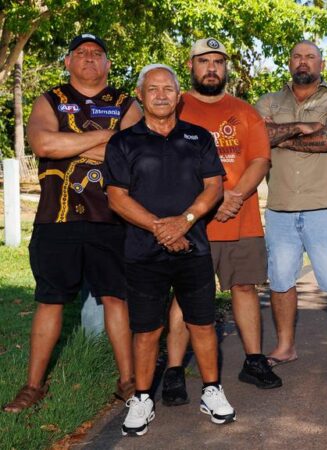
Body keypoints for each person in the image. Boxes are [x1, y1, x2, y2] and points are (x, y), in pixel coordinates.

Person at [3, 34, 141, 414]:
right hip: (56, 218)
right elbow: (44, 146)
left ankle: (127, 380)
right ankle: (33, 386)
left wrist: (72, 141)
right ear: (68, 62)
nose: (90, 59)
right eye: (81, 53)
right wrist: (107, 139)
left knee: (116, 297)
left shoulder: (126, 104)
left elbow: (131, 155)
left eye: (98, 54)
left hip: (113, 217)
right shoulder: (50, 100)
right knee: (50, 300)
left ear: (108, 64)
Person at [105, 64, 235, 435]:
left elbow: (214, 187)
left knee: (203, 323)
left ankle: (212, 391)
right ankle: (142, 398)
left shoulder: (198, 137)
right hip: (143, 252)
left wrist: (186, 219)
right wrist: (162, 228)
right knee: (147, 329)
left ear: (179, 97)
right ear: (141, 96)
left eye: (168, 88)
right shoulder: (123, 142)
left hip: (192, 249)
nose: (161, 94)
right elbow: (117, 197)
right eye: (153, 88)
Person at [162, 38, 279, 407]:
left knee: (245, 288)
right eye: (204, 61)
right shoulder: (174, 108)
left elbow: (260, 159)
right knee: (185, 296)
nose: (212, 68)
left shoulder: (245, 111)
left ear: (225, 67)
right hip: (191, 224)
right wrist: (208, 202)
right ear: (190, 65)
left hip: (240, 220)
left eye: (218, 62)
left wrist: (234, 197)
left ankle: (254, 361)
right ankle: (175, 370)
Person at [254, 40, 327, 376]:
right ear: (289, 62)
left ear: (322, 64)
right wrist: (303, 128)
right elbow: (257, 137)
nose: (303, 62)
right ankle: (285, 347)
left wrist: (281, 137)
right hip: (280, 208)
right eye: (297, 56)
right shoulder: (269, 101)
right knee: (281, 280)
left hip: (324, 206)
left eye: (310, 57)